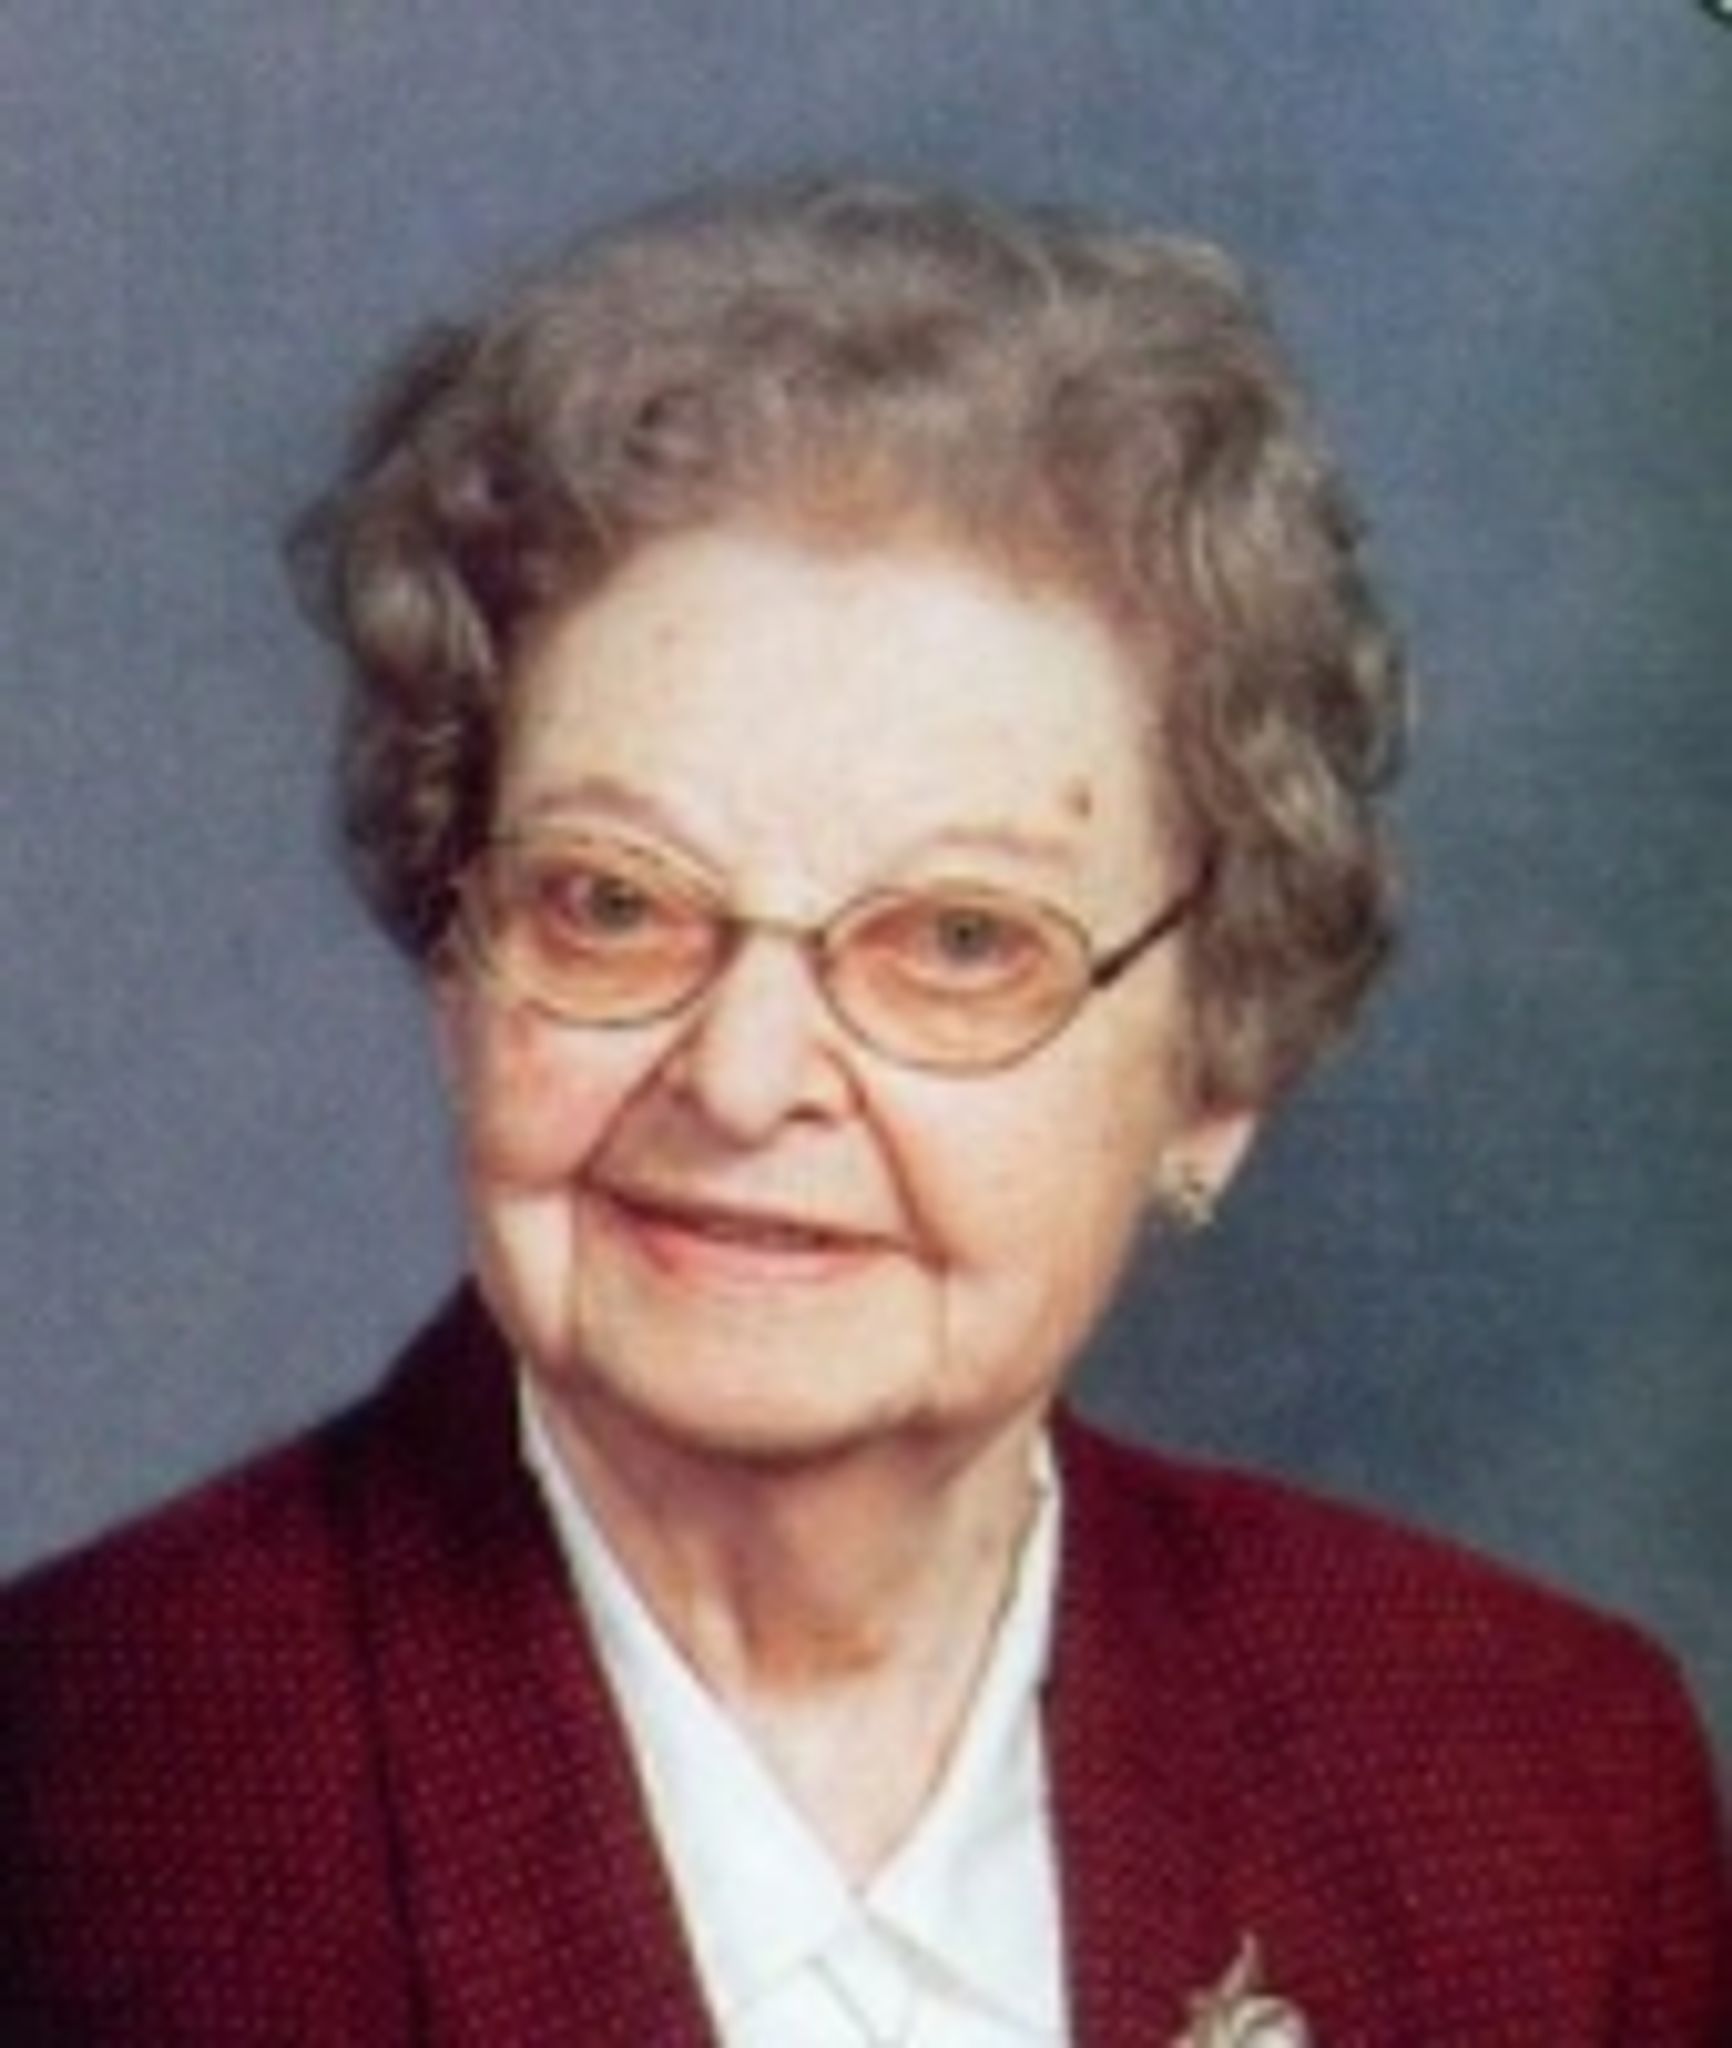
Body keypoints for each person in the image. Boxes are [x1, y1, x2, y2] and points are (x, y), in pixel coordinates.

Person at [2, 177, 1725, 2044]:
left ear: (1219, 1066)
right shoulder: (76, 1805)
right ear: (458, 959)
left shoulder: (1539, 1788)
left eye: (960, 941)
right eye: (612, 903)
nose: (743, 1083)